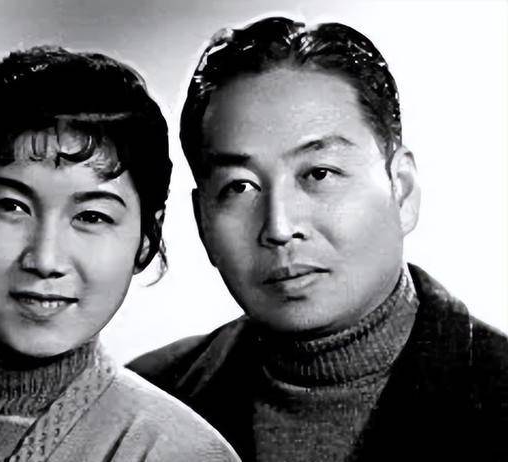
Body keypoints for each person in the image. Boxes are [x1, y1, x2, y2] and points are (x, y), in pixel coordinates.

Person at [127, 16, 508, 461]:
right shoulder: (146, 407)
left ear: (401, 190)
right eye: (240, 187)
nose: (279, 226)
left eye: (319, 174)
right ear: (201, 222)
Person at [0, 46, 239, 462]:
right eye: (11, 206)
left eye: (92, 216)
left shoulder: (180, 451)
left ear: (145, 242)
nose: (45, 260)